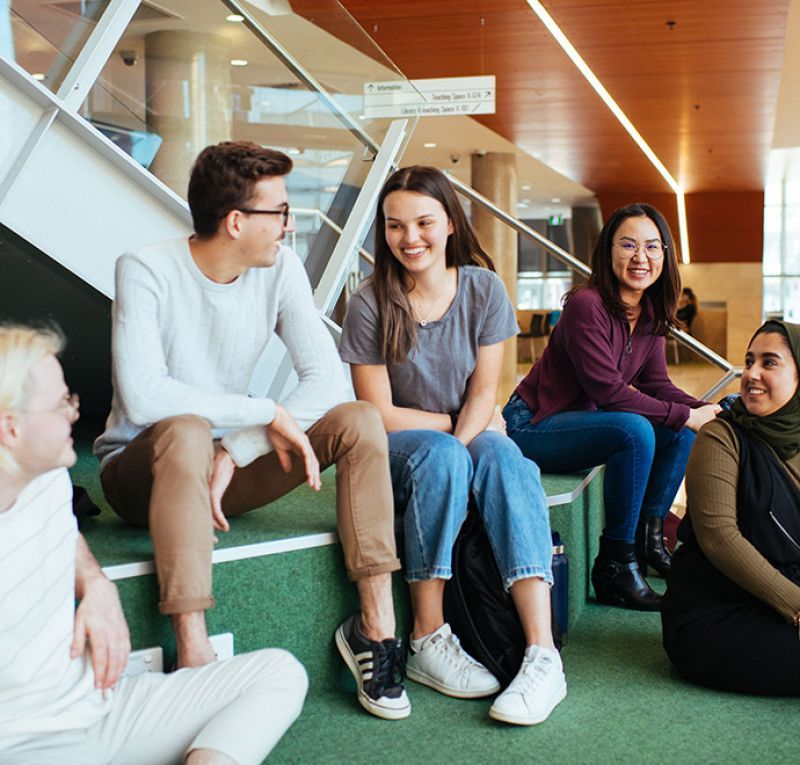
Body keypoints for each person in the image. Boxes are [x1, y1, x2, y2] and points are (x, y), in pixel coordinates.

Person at [94, 141, 409, 720]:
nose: (289, 226)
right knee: (186, 428)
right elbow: (144, 395)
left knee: (359, 419)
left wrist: (238, 448)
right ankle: (194, 651)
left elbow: (326, 382)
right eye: (281, 213)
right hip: (142, 471)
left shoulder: (280, 269)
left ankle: (375, 629)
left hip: (223, 470)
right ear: (236, 221)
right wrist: (262, 413)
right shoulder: (144, 267)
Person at [0, 324, 307, 764]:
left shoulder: (46, 475)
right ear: (11, 429)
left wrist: (97, 585)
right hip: (24, 744)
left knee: (279, 673)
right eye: (61, 404)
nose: (74, 413)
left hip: (104, 707)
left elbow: (63, 537)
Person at [340, 166, 566, 726]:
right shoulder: (370, 302)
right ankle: (426, 638)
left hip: (457, 438)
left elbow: (488, 394)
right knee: (453, 453)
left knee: (506, 458)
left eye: (423, 222)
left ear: (449, 224)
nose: (409, 238)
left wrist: (472, 436)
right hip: (394, 452)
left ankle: (543, 656)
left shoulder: (484, 289)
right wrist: (463, 430)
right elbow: (380, 415)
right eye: (395, 226)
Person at [504, 203, 720, 611]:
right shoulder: (588, 305)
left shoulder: (650, 310)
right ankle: (616, 565)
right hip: (531, 424)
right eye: (628, 245)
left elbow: (657, 384)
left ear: (665, 255)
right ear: (608, 251)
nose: (641, 257)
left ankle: (648, 542)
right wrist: (687, 414)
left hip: (580, 422)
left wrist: (704, 409)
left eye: (652, 247)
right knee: (634, 429)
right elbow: (610, 393)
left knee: (676, 430)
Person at [662, 320, 800, 694]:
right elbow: (720, 538)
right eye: (749, 360)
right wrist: (796, 605)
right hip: (718, 614)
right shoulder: (722, 436)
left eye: (769, 363)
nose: (751, 374)